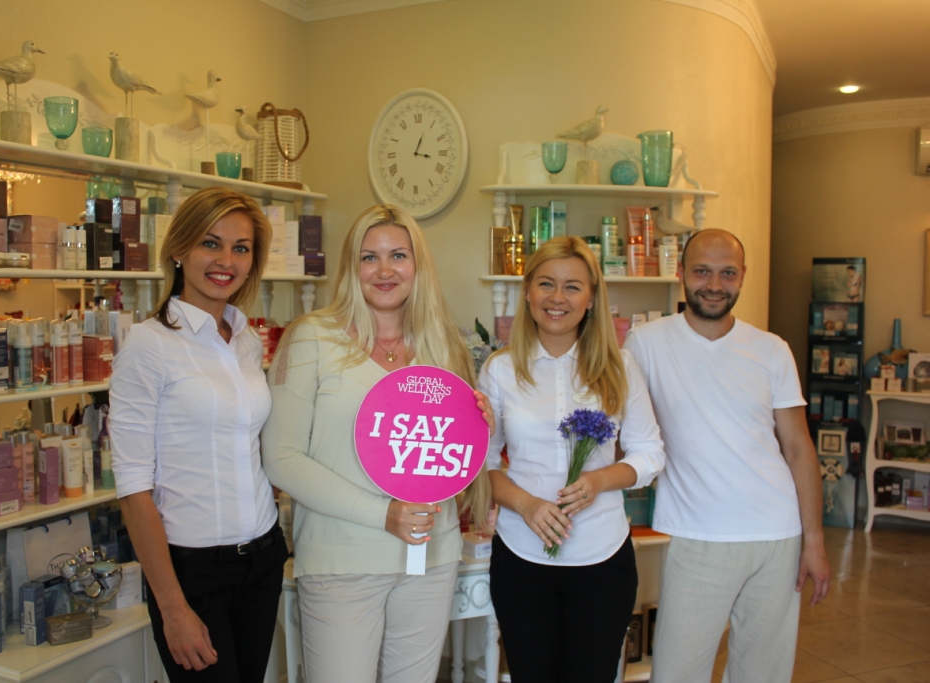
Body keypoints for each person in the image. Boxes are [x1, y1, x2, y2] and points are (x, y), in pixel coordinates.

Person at [261, 204, 493, 683]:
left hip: (432, 556)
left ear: (418, 264)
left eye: (398, 255)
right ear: (353, 267)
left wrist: (479, 423)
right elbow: (281, 458)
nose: (385, 270)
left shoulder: (443, 347)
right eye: (370, 257)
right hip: (341, 560)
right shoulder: (312, 339)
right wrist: (383, 513)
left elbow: (449, 454)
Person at [623, 228, 831, 683]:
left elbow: (798, 448)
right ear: (681, 272)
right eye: (702, 271)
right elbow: (627, 432)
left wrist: (813, 540)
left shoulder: (771, 350)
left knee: (763, 673)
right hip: (697, 536)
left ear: (742, 276)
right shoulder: (645, 343)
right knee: (677, 673)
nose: (714, 285)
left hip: (777, 535)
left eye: (727, 273)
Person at [109, 187, 287, 683]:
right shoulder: (148, 345)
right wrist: (172, 607)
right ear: (178, 249)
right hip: (192, 572)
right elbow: (133, 488)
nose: (226, 261)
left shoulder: (246, 341)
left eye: (240, 248)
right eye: (211, 243)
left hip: (263, 557)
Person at [478, 236, 665, 683]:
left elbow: (650, 452)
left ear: (592, 298)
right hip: (521, 557)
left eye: (572, 286)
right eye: (546, 283)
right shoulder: (500, 370)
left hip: (603, 557)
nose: (557, 297)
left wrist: (598, 481)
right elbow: (481, 465)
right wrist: (526, 505)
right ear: (528, 292)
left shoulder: (619, 366)